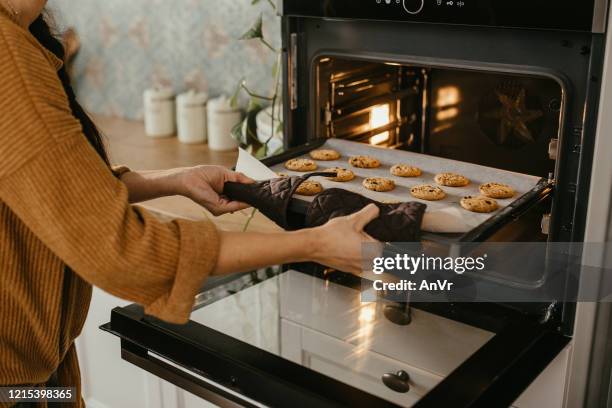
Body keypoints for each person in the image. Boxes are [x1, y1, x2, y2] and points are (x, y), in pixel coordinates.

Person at [0, 1, 380, 405]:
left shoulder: (20, 36)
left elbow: (56, 192)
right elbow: (124, 251)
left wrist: (176, 180)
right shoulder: (8, 56)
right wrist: (316, 244)